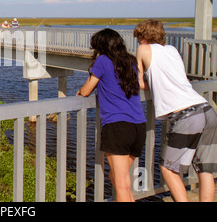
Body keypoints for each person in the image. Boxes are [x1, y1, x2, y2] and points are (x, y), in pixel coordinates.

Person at [134, 19, 217, 202]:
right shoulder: (172, 50)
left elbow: (139, 82)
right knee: (205, 169)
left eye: (139, 38)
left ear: (144, 36)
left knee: (168, 169)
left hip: (185, 115)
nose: (138, 42)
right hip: (206, 109)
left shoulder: (143, 49)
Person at [77, 28, 146, 202]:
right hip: (138, 125)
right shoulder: (130, 61)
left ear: (101, 46)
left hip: (117, 126)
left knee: (121, 182)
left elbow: (86, 91)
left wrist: (79, 92)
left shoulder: (102, 60)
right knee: (117, 178)